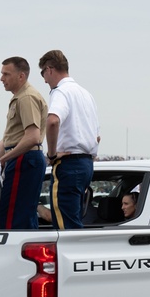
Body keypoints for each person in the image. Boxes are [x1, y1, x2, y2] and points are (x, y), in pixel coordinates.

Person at [39, 50, 100, 229]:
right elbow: (97, 136)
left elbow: (52, 120)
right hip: (86, 162)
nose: (44, 80)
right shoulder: (86, 94)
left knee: (65, 227)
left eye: (43, 73)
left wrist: (51, 154)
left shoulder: (61, 92)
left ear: (50, 69)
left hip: (69, 164)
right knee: (73, 221)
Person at [0, 57, 49, 229]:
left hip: (23, 158)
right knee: (18, 213)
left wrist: (3, 159)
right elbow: (12, 137)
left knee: (15, 217)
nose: (1, 78)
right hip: (21, 157)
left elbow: (32, 137)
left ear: (21, 76)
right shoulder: (20, 97)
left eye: (6, 74)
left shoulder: (26, 97)